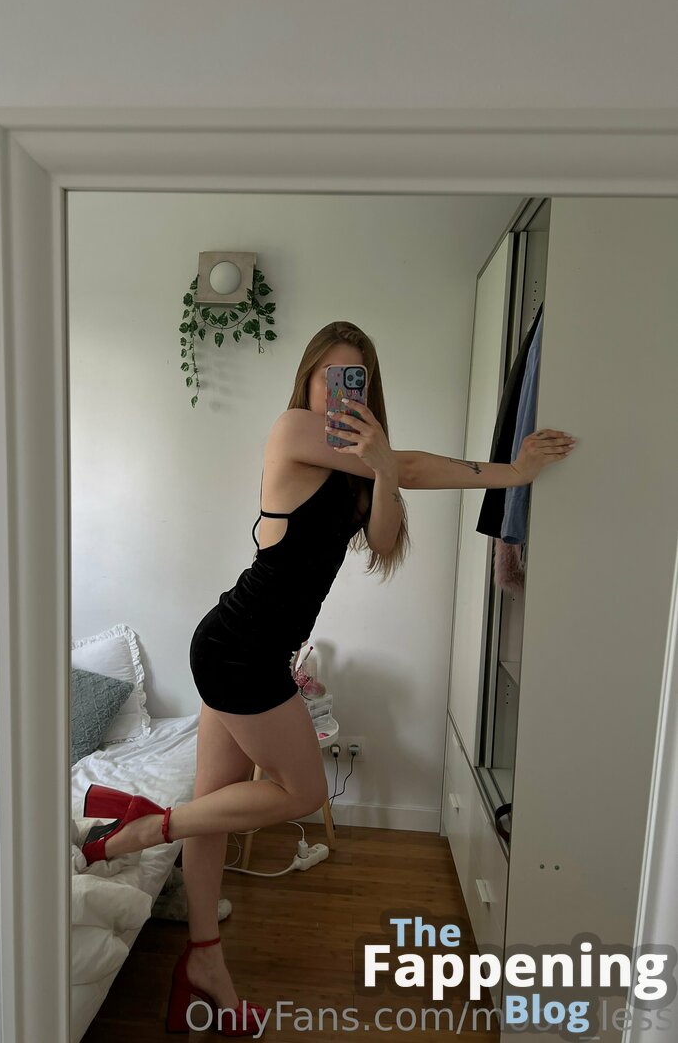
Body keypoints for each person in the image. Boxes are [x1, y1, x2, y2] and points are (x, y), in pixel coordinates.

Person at [80, 320, 577, 1036]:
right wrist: (502, 471)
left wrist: (391, 468)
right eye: (331, 377)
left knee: (217, 807)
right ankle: (142, 827)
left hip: (245, 647)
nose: (343, 392)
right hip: (239, 648)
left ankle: (204, 964)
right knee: (304, 791)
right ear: (309, 381)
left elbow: (385, 538)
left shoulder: (362, 471)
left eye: (357, 380)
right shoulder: (291, 430)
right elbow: (415, 464)